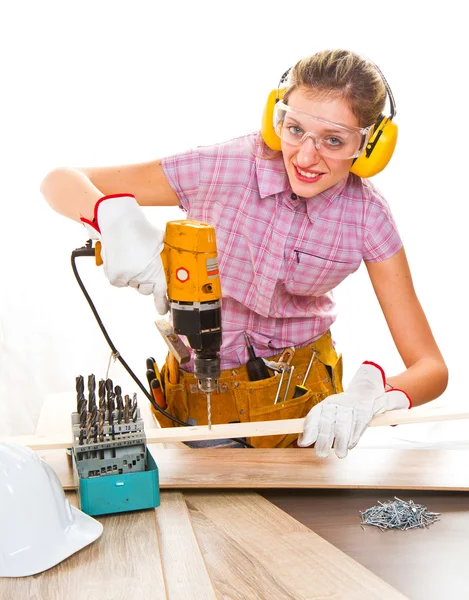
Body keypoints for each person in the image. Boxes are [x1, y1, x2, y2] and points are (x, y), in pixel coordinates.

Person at [40, 49, 448, 457]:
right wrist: (112, 222)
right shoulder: (223, 167)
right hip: (196, 409)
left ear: (370, 145)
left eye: (334, 141)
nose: (306, 156)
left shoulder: (367, 216)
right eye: (294, 130)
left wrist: (374, 395)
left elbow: (431, 368)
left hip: (302, 414)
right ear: (276, 119)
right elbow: (60, 181)